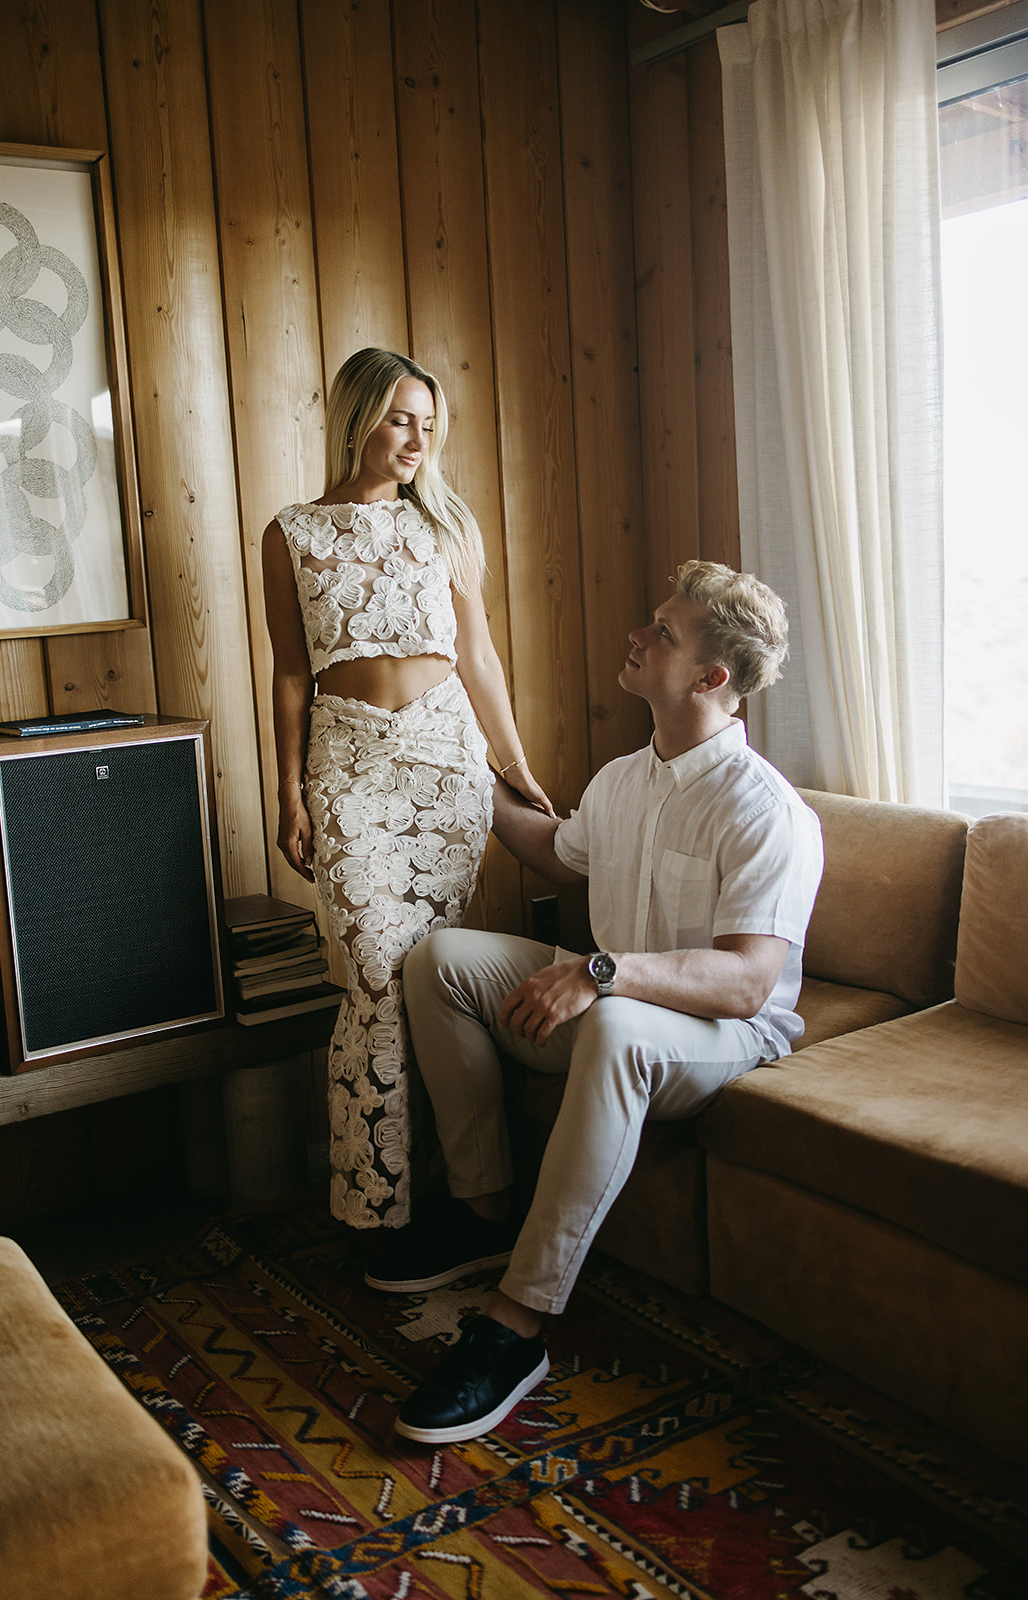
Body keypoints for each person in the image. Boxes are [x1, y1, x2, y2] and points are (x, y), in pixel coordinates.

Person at [368, 560, 825, 1444]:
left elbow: (744, 983)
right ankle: (482, 1209)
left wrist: (597, 973)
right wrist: (468, 770)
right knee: (441, 960)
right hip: (611, 1010)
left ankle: (516, 1325)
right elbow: (560, 850)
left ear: (708, 677)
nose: (636, 636)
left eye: (662, 631)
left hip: (719, 1040)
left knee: (613, 1017)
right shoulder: (624, 777)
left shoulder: (767, 810)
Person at [261, 347, 553, 1234]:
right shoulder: (293, 533)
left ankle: (459, 1191)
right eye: (399, 419)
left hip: (441, 764)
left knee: (427, 976)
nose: (416, 439)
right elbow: (286, 672)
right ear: (358, 418)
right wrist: (289, 792)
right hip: (346, 765)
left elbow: (479, 659)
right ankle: (376, 1203)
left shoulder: (445, 528)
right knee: (373, 975)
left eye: (429, 425)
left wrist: (515, 765)